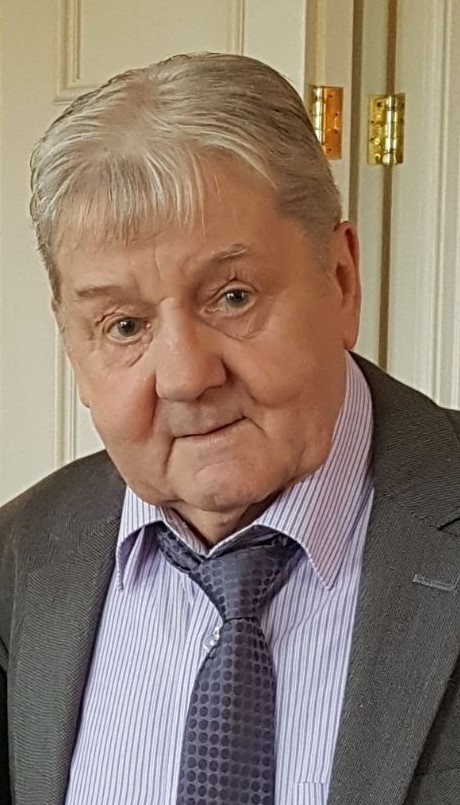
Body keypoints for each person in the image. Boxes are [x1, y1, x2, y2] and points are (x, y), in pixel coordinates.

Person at [1, 52, 460, 805]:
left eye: (233, 296)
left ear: (342, 280)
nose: (186, 376)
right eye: (124, 325)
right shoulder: (18, 562)